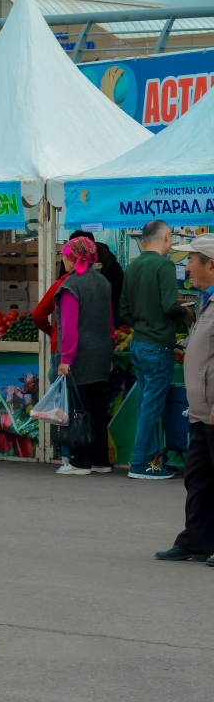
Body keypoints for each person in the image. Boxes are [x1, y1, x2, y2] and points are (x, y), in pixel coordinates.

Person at [155, 234, 214, 564]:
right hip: (200, 411)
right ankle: (195, 541)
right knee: (198, 480)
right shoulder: (206, 300)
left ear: (211, 264)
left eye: (192, 259)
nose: (186, 266)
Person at [121, 220, 189, 480]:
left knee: (144, 405)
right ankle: (139, 464)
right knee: (151, 407)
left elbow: (124, 309)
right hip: (159, 345)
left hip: (139, 343)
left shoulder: (133, 266)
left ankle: (153, 462)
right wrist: (186, 313)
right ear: (167, 237)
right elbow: (170, 304)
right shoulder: (164, 265)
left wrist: (141, 324)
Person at [53, 237, 115, 476]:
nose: (63, 260)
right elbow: (109, 323)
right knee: (97, 408)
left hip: (80, 355)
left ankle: (81, 461)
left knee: (80, 409)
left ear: (73, 257)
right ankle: (101, 460)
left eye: (65, 255)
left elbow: (69, 326)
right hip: (100, 353)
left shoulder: (71, 285)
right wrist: (108, 352)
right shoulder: (103, 282)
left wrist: (65, 359)